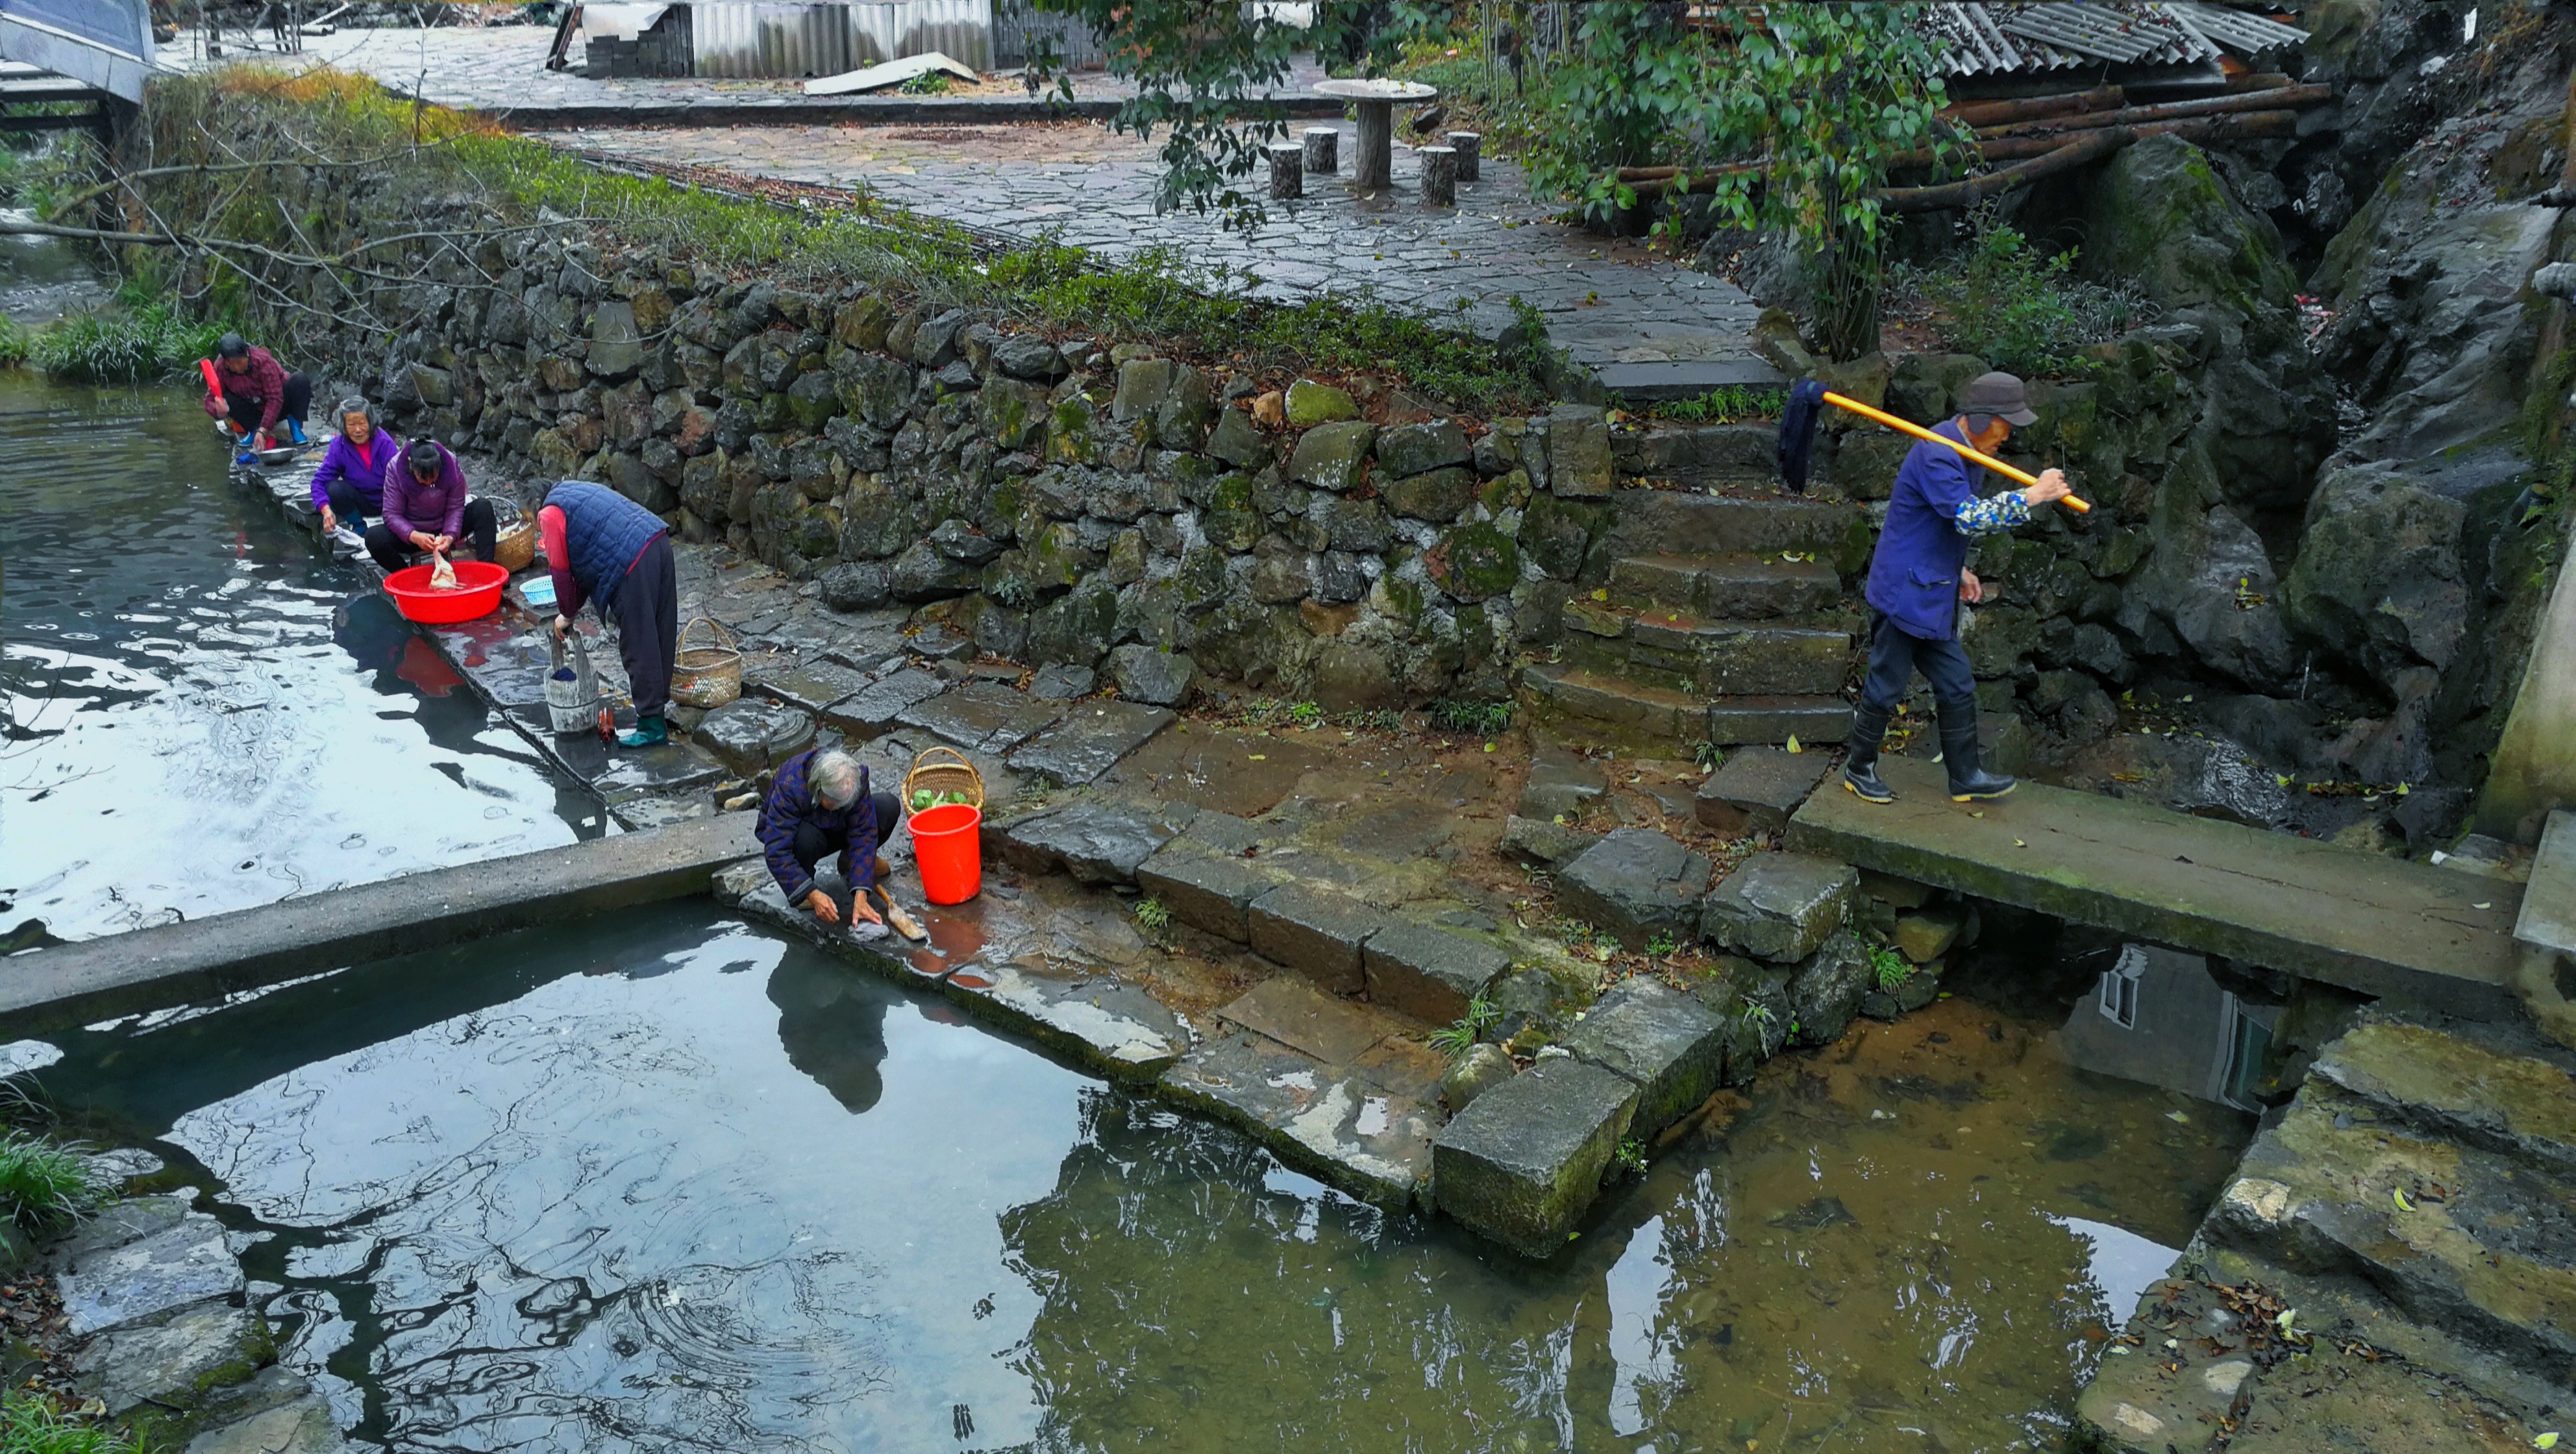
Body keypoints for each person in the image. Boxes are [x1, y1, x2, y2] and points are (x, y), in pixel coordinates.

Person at [1843, 371, 2073, 805]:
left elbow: (1942, 523)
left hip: (1932, 590)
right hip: (1904, 593)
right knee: (1886, 685)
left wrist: (1960, 567)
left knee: (1957, 684)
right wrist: (2033, 495)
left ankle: (1965, 775)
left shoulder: (1968, 452)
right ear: (1985, 419)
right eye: (2007, 424)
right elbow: (1969, 517)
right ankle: (1859, 767)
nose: (2009, 435)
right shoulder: (1939, 453)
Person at [539, 480, 677, 748]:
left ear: (535, 507)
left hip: (632, 562)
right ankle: (657, 712)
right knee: (661, 632)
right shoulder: (574, 491)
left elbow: (561, 573)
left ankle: (651, 726)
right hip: (657, 540)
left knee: (638, 643)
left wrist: (566, 613)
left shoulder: (549, 513)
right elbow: (583, 567)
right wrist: (572, 611)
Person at [756, 747, 902, 934]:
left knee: (887, 807)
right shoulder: (791, 785)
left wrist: (861, 893)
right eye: (835, 802)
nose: (841, 806)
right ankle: (804, 887)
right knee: (805, 839)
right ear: (819, 789)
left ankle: (850, 862)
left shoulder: (855, 776)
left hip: (838, 825)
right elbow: (776, 851)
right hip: (806, 831)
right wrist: (812, 893)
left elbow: (864, 831)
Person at [371, 439, 497, 574]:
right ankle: (407, 576)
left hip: (444, 528)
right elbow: (391, 514)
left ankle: (487, 571)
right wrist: (414, 535)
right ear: (411, 465)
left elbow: (455, 506)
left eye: (433, 477)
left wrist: (450, 535)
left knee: (483, 508)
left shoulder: (450, 464)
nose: (428, 482)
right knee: (374, 538)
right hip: (413, 533)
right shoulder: (396, 468)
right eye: (422, 479)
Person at [308, 397, 399, 552]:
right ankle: (359, 528)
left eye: (362, 423)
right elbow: (319, 482)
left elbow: (400, 480)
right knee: (334, 488)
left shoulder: (385, 443)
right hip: (361, 501)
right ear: (344, 426)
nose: (357, 430)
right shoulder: (339, 447)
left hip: (389, 501)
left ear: (371, 422)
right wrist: (325, 510)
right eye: (351, 425)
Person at [203, 333, 310, 456]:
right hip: (253, 410)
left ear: (246, 355)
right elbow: (209, 400)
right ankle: (253, 429)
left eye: (240, 362)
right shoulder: (220, 368)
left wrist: (264, 430)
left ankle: (295, 425)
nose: (237, 367)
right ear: (226, 362)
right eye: (232, 363)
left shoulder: (262, 361)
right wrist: (218, 411)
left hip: (279, 406)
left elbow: (275, 398)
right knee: (226, 398)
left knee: (300, 380)